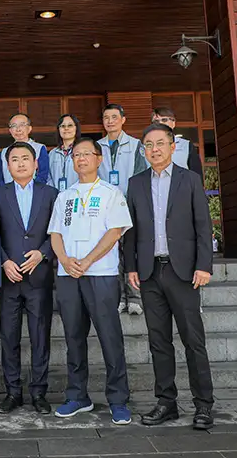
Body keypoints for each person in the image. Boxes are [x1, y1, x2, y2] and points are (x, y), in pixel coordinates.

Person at [124, 123, 214, 430]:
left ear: (173, 146)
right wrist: (131, 266)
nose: (154, 150)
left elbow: (203, 226)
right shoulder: (135, 184)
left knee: (193, 340)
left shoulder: (189, 180)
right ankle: (166, 402)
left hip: (184, 273)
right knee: (158, 341)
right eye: (148, 145)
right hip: (150, 273)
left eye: (160, 144)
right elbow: (131, 230)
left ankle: (203, 405)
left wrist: (204, 265)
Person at [48, 138, 133, 426]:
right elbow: (55, 234)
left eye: (87, 154)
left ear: (99, 159)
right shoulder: (65, 196)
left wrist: (88, 261)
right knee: (73, 337)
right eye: (76, 154)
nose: (81, 158)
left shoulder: (111, 193)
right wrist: (65, 260)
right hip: (68, 275)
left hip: (101, 274)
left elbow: (114, 232)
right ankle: (77, 395)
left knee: (110, 336)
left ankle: (119, 399)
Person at [0, 142, 57, 415]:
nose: (20, 163)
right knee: (9, 337)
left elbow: (58, 232)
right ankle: (13, 391)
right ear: (7, 166)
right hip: (9, 278)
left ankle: (39, 392)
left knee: (40, 336)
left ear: (36, 163)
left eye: (25, 159)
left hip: (39, 277)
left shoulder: (51, 194)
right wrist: (4, 260)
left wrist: (42, 254)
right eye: (14, 159)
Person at [97, 104, 146, 315]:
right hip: (105, 208)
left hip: (128, 206)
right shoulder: (96, 146)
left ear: (123, 120)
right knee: (111, 253)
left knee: (131, 251)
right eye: (106, 117)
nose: (110, 121)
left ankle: (134, 297)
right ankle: (119, 298)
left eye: (114, 117)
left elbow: (140, 174)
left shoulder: (135, 145)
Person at [0, 113, 50, 187]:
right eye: (14, 126)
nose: (18, 129)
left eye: (22, 125)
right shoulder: (4, 152)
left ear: (29, 128)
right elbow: (0, 178)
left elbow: (43, 175)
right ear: (10, 130)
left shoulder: (39, 148)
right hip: (8, 195)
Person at [151, 107, 203, 179]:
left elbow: (197, 175)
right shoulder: (146, 148)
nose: (160, 123)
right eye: (156, 121)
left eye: (164, 120)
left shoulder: (186, 146)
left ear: (173, 123)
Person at [48, 114, 81, 192]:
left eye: (70, 125)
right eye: (62, 126)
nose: (66, 128)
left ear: (76, 128)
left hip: (77, 195)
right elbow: (49, 177)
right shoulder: (52, 153)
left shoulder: (82, 151)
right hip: (57, 197)